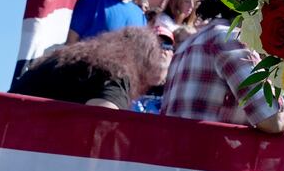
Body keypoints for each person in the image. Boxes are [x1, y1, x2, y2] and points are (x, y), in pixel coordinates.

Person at [162, 0, 284, 131]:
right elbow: (273, 120)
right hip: (208, 149)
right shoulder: (230, 38)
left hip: (175, 148)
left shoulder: (186, 44)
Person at [11, 25, 168, 109]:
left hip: (1, 131)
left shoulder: (77, 59)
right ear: (143, 60)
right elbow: (100, 124)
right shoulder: (116, 73)